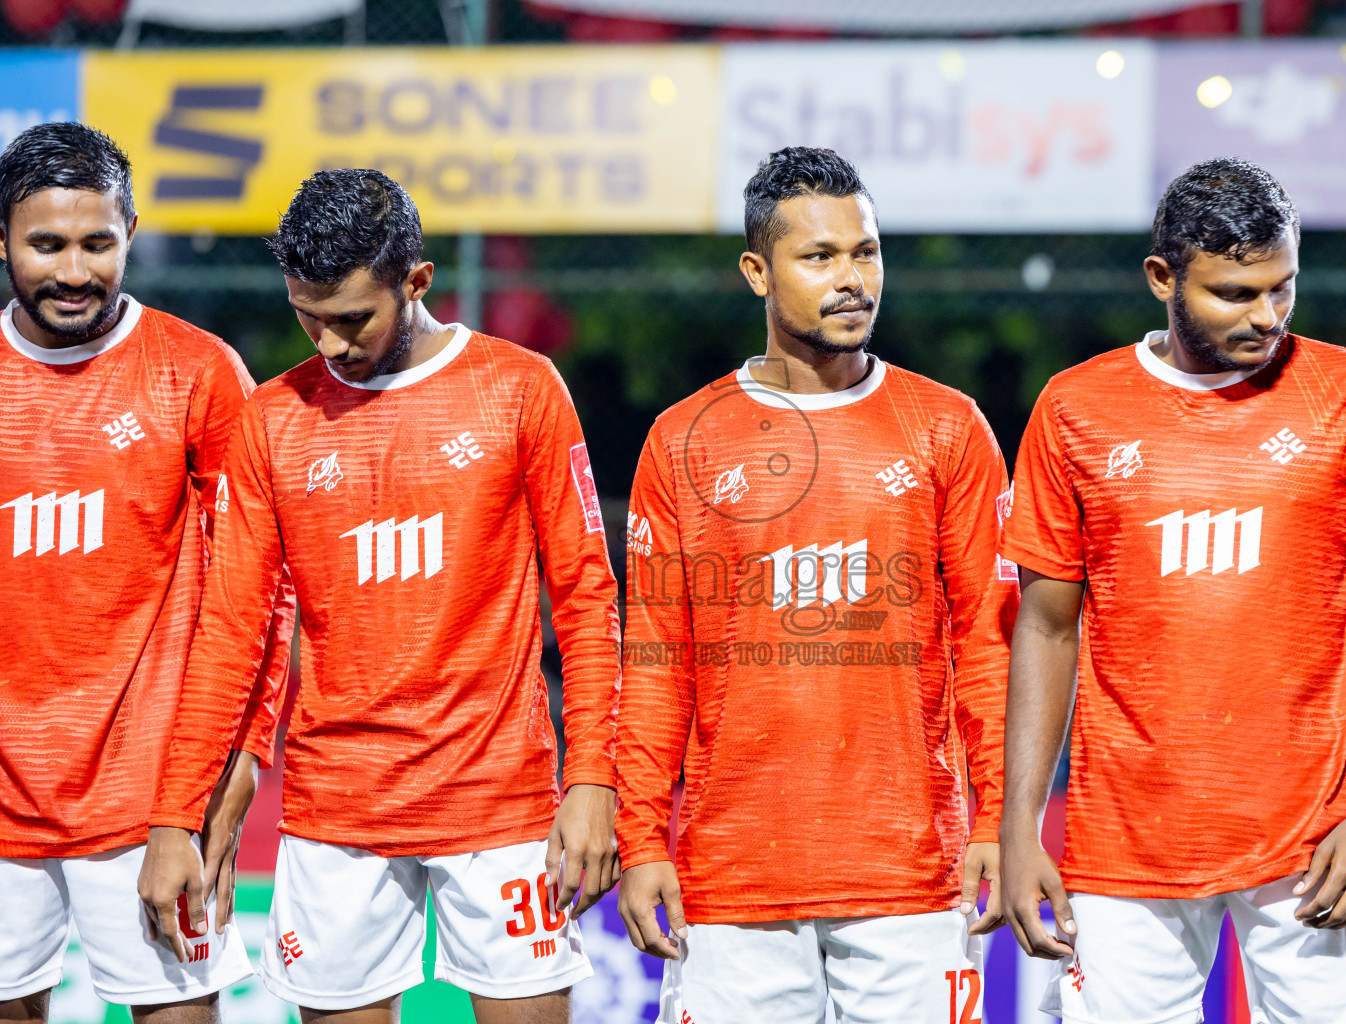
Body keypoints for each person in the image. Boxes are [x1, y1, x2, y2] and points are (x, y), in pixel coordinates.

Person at [138, 169, 621, 1024]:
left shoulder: (520, 388)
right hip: (336, 808)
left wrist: (594, 779)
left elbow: (585, 596)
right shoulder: (272, 419)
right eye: (306, 316)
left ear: (417, 281)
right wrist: (177, 812)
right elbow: (231, 630)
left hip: (499, 800)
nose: (327, 342)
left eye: (352, 318)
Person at [997, 158, 1346, 1024]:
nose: (1266, 315)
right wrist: (1017, 826)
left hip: (1317, 838)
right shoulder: (1075, 409)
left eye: (1283, 286)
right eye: (1235, 293)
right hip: (1124, 843)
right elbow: (1044, 630)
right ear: (1162, 279)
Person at [615, 146, 1016, 1023]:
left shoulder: (947, 427)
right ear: (758, 271)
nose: (852, 279)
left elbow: (989, 645)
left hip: (913, 870)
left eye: (866, 252)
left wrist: (995, 821)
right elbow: (653, 661)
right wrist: (641, 835)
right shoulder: (683, 439)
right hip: (734, 877)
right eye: (820, 257)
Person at [0, 123, 293, 1021]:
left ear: (131, 230)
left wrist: (242, 758)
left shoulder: (197, 373)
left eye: (99, 242)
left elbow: (262, 590)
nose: (75, 270)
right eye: (46, 244)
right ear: (3, 242)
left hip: (153, 800)